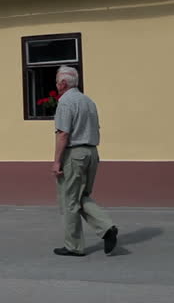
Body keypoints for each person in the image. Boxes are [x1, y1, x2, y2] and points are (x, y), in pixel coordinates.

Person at [51, 66, 118, 256]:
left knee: (69, 200)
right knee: (81, 196)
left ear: (63, 83)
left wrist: (56, 161)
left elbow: (63, 133)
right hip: (92, 152)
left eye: (57, 81)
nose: (56, 85)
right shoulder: (88, 101)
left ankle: (73, 245)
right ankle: (107, 228)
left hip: (74, 153)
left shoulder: (65, 102)